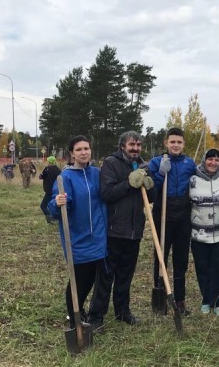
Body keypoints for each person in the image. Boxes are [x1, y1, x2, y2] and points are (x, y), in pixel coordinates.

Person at [88, 131, 156, 330]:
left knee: (126, 275)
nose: (135, 148)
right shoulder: (111, 163)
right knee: (106, 276)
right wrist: (129, 183)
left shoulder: (144, 166)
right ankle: (96, 317)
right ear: (122, 146)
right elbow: (106, 194)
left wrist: (150, 185)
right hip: (114, 230)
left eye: (138, 145)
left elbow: (150, 198)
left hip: (134, 231)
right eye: (132, 144)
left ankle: (122, 311)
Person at [48, 135, 107, 329]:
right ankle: (73, 316)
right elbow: (54, 207)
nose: (84, 152)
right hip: (77, 236)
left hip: (97, 234)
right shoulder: (65, 177)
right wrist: (57, 204)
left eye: (86, 148)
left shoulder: (96, 173)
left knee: (91, 278)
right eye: (79, 149)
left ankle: (80, 309)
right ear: (72, 154)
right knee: (79, 278)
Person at [148, 127, 197, 315]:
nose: (176, 145)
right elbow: (151, 191)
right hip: (163, 214)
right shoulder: (156, 162)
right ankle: (160, 296)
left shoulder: (189, 163)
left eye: (179, 142)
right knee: (161, 257)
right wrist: (160, 173)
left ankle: (180, 300)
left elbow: (200, 179)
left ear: (183, 144)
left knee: (181, 259)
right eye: (172, 142)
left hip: (183, 215)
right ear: (166, 143)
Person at [189, 148, 219, 316]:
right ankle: (206, 300)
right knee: (203, 267)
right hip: (199, 233)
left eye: (217, 159)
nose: (213, 163)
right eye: (210, 159)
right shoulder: (193, 180)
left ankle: (218, 302)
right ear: (203, 160)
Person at [39, 156, 61, 223]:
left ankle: (51, 219)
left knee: (43, 206)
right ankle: (56, 218)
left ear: (49, 161)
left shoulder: (47, 169)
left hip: (49, 191)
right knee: (53, 205)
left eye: (48, 161)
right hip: (56, 190)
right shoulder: (58, 170)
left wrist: (41, 175)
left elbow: (41, 177)